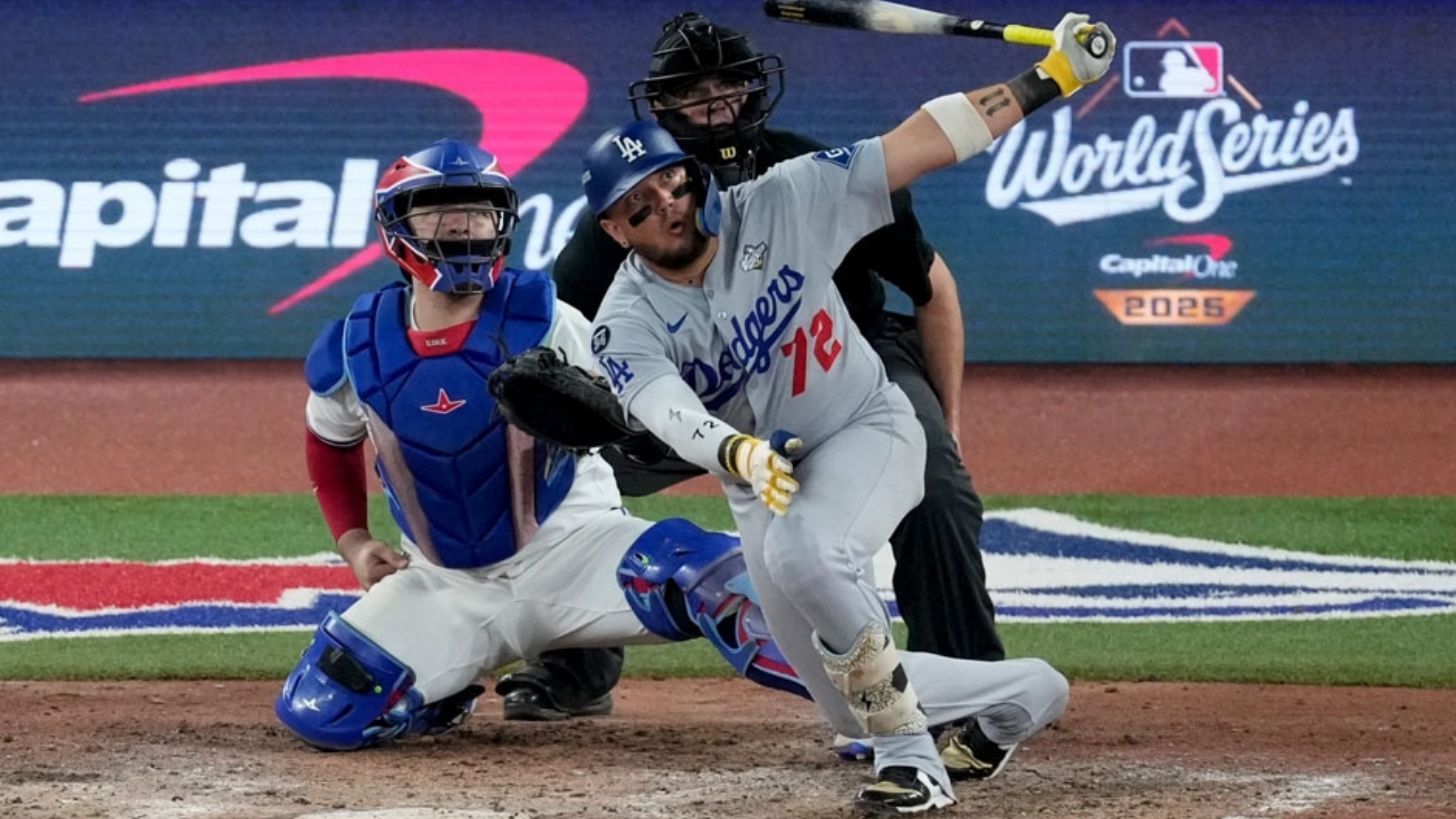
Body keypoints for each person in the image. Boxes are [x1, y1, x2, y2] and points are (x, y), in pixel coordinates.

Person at [581, 13, 1114, 813]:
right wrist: (736, 453)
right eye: (640, 204)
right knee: (840, 698)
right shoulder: (624, 318)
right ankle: (1026, 692)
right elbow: (663, 408)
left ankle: (911, 762)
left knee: (806, 553)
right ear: (614, 230)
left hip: (864, 427)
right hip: (760, 481)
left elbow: (922, 140)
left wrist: (1052, 79)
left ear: (693, 178)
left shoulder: (787, 196)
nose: (668, 205)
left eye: (673, 184)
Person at [500, 11, 1006, 744]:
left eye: (728, 82)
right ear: (662, 107)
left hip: (842, 359)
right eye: (691, 89)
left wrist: (946, 431)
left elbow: (933, 287)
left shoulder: (808, 170)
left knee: (936, 484)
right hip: (702, 391)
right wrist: (604, 423)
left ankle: (969, 689)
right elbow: (567, 347)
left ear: (755, 87)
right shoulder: (620, 223)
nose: (713, 101)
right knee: (554, 464)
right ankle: (572, 665)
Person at [273, 138, 809, 752]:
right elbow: (329, 441)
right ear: (398, 229)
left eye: (479, 211)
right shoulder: (358, 344)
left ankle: (875, 709)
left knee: (718, 581)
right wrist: (354, 541)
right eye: (440, 212)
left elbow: (644, 411)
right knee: (323, 708)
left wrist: (620, 424)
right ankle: (443, 688)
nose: (464, 225)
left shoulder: (551, 320)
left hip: (577, 551)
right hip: (445, 585)